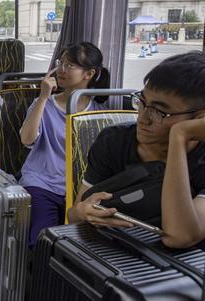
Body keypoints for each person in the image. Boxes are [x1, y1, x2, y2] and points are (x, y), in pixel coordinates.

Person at [68, 51, 205, 249]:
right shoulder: (113, 142)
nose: (142, 118)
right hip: (116, 252)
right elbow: (73, 215)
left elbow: (180, 237)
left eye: (159, 111)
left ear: (199, 118)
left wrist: (179, 136)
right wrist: (83, 212)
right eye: (141, 102)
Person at [19, 42, 110, 248]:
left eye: (70, 66)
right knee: (43, 240)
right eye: (61, 63)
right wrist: (43, 97)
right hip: (42, 182)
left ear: (88, 74)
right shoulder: (44, 105)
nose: (61, 70)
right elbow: (27, 139)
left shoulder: (97, 114)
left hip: (79, 188)